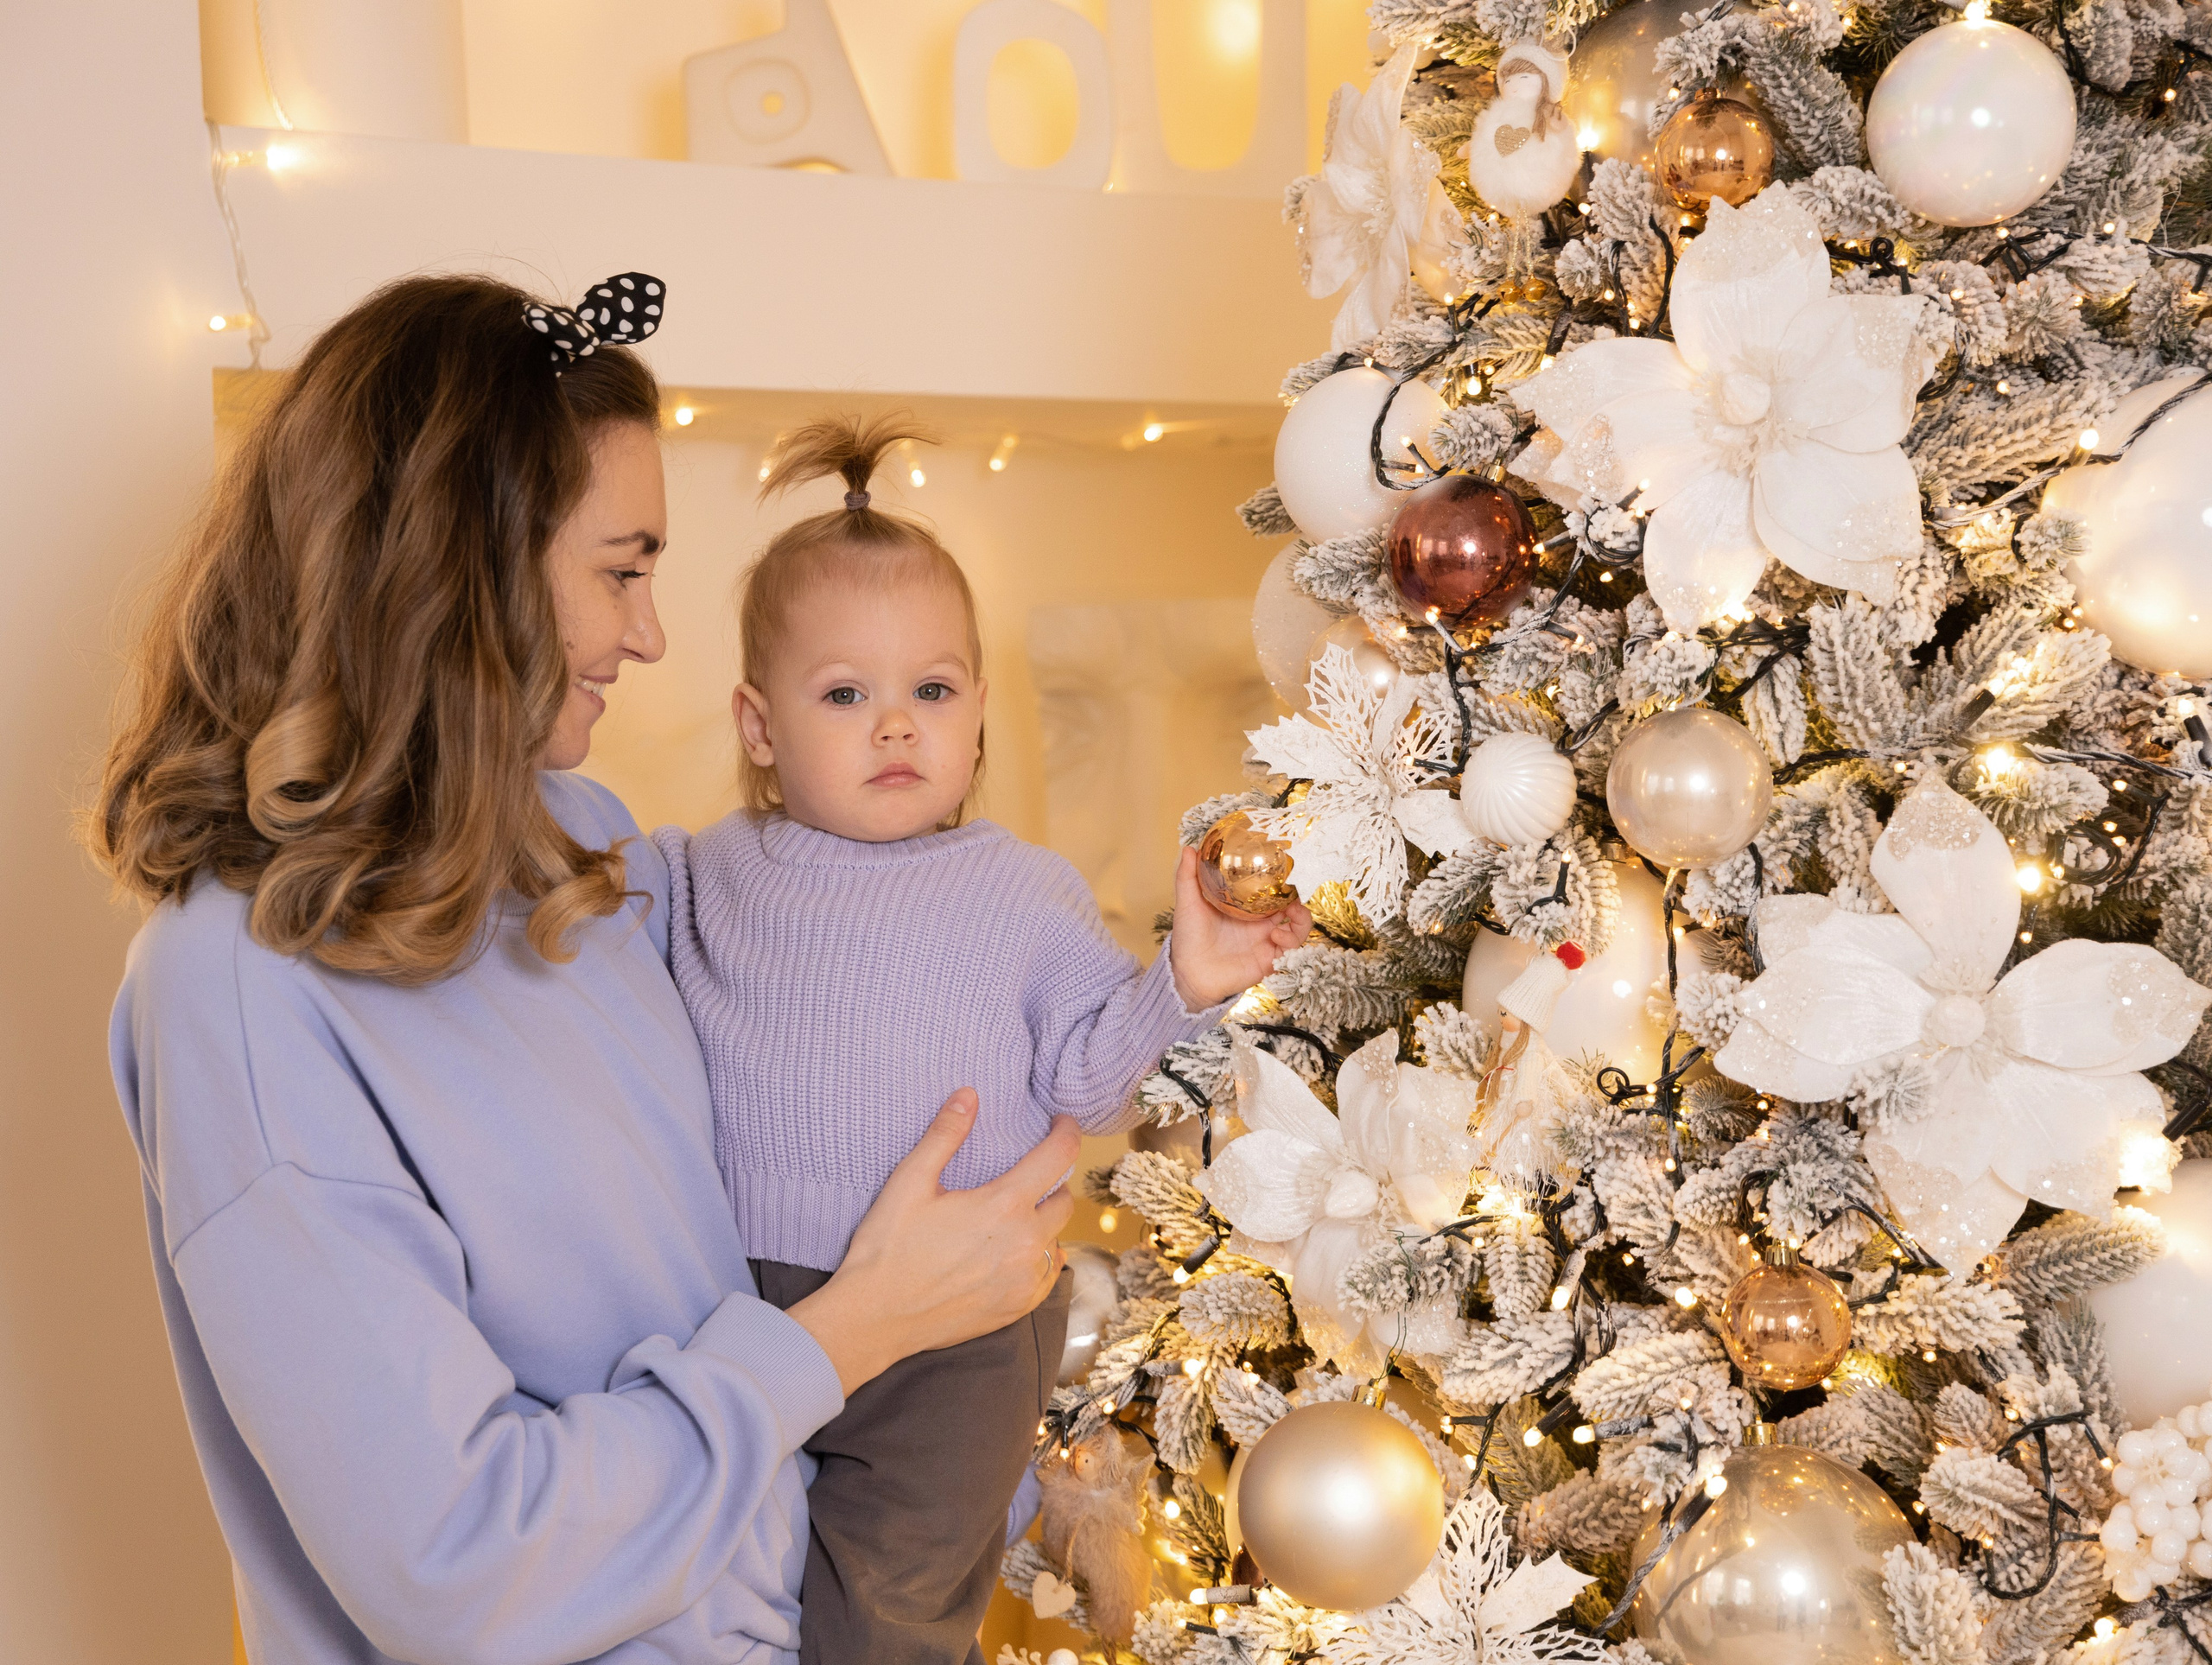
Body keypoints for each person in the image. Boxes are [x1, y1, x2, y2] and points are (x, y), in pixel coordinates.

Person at [87, 271, 1080, 1665]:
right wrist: (853, 1332)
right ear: (463, 568)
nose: (650, 634)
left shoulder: (581, 852)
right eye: (621, 569)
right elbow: (460, 1566)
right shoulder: (239, 993)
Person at [652, 416, 1313, 1664]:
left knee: (895, 1604)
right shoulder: (704, 873)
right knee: (723, 1582)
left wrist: (1185, 975)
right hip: (743, 1305)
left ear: (978, 711)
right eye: (845, 694)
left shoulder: (1022, 889)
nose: (895, 726)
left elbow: (1091, 1078)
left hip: (960, 1338)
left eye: (931, 691)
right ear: (757, 726)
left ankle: (963, 1562)